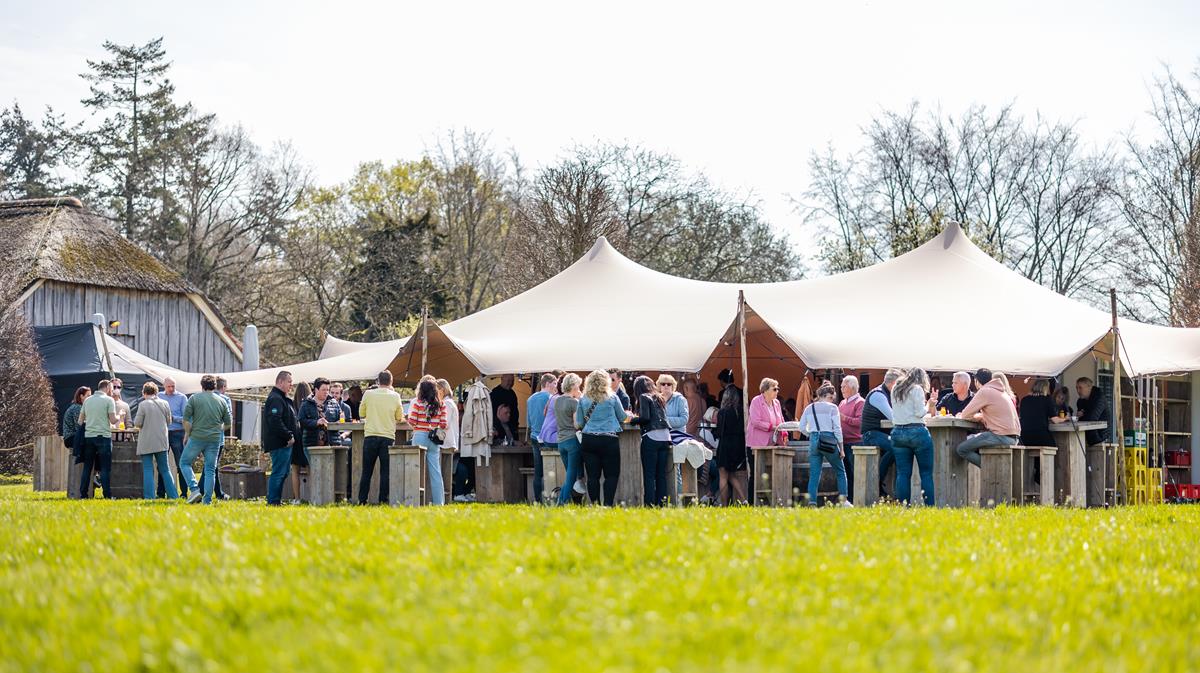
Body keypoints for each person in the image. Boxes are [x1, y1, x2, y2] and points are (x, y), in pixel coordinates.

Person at [576, 369, 632, 506]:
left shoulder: (583, 399)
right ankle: (607, 505)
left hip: (589, 440)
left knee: (592, 477)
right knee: (611, 475)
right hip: (609, 440)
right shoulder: (612, 397)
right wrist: (629, 415)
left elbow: (580, 423)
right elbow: (622, 417)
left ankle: (595, 505)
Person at [180, 374, 232, 505]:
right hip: (214, 439)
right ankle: (207, 501)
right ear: (215, 386)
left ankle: (194, 489)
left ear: (202, 386)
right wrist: (219, 429)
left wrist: (188, 433)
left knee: (184, 462)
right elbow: (228, 423)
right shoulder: (222, 401)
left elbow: (185, 420)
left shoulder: (194, 398)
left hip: (197, 437)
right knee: (210, 469)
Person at [956, 369, 1022, 467]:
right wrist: (980, 417)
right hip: (1014, 438)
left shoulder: (985, 391)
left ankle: (990, 468)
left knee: (961, 449)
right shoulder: (1001, 391)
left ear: (976, 381)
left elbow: (965, 414)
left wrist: (977, 417)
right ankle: (992, 467)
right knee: (973, 440)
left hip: (1000, 436)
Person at [798, 382, 849, 506]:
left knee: (814, 474)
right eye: (831, 397)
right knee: (840, 471)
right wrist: (841, 448)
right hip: (829, 439)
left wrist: (812, 434)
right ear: (825, 395)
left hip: (814, 439)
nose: (832, 401)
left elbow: (801, 427)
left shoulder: (809, 408)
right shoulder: (832, 408)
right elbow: (837, 429)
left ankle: (812, 503)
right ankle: (843, 502)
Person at [889, 368, 935, 506]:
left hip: (898, 432)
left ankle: (904, 507)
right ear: (922, 379)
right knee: (926, 474)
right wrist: (930, 404)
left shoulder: (896, 388)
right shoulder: (917, 389)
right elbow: (920, 412)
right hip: (917, 432)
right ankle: (929, 507)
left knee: (903, 474)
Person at [359, 370, 405, 505]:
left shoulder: (368, 394)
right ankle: (383, 500)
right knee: (385, 472)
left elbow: (361, 413)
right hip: (387, 437)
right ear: (391, 382)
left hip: (370, 435)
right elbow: (399, 417)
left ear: (378, 381)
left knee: (366, 471)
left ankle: (362, 500)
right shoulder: (395, 396)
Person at [134, 381, 178, 500]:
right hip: (162, 441)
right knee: (165, 469)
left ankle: (149, 497)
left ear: (144, 392)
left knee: (148, 469)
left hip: (147, 441)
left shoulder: (143, 405)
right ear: (156, 392)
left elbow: (137, 423)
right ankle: (173, 496)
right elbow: (169, 421)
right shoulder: (165, 403)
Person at [632, 376, 671, 507]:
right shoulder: (659, 397)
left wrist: (631, 420)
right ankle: (662, 504)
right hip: (665, 437)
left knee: (649, 475)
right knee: (661, 474)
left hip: (652, 437)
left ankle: (649, 505)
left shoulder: (643, 396)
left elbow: (645, 418)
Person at [862, 369, 901, 496]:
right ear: (894, 383)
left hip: (880, 433)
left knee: (899, 447)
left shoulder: (887, 393)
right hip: (871, 434)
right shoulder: (878, 395)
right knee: (897, 447)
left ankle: (881, 484)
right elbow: (893, 417)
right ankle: (877, 484)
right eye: (900, 384)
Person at [409, 379, 449, 505]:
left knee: (416, 469)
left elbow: (412, 422)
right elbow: (444, 424)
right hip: (434, 438)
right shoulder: (441, 404)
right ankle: (439, 502)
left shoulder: (418, 403)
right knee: (436, 472)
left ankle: (414, 500)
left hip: (419, 435)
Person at [262, 371, 299, 506]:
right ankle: (273, 501)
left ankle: (276, 500)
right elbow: (275, 420)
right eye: (289, 381)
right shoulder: (276, 399)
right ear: (280, 382)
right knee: (278, 472)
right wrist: (288, 435)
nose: (291, 384)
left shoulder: (281, 398)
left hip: (284, 443)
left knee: (283, 472)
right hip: (280, 443)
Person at [77, 379, 119, 498]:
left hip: (89, 437)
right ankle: (107, 495)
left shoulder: (87, 400)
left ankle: (83, 495)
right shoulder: (109, 400)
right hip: (103, 437)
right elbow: (112, 420)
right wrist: (120, 416)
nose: (112, 391)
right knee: (105, 468)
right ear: (107, 388)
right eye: (111, 388)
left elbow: (80, 421)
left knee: (87, 467)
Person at [197, 376, 232, 500]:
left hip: (201, 436)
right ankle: (198, 491)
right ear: (223, 387)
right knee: (211, 466)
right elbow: (228, 420)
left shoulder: (199, 398)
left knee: (211, 465)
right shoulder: (225, 399)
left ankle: (219, 493)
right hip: (217, 438)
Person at [526, 373, 558, 503]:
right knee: (552, 469)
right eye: (555, 383)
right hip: (548, 437)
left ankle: (538, 500)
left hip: (534, 436)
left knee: (538, 471)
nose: (556, 387)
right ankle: (552, 497)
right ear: (549, 383)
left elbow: (528, 420)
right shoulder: (551, 398)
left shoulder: (530, 399)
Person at [553, 373, 584, 505]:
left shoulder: (557, 400)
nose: (579, 389)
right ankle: (562, 502)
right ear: (573, 386)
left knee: (570, 475)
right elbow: (577, 424)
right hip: (572, 440)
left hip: (561, 441)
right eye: (578, 386)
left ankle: (567, 500)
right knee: (572, 476)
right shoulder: (574, 402)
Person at [714, 386, 748, 505]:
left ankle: (724, 505)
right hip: (738, 446)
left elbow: (720, 432)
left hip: (725, 446)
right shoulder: (742, 411)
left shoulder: (722, 412)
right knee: (731, 475)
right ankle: (744, 499)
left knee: (723, 475)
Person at [158, 376, 190, 499]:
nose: (171, 389)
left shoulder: (182, 398)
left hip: (177, 432)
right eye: (168, 386)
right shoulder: (159, 396)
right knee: (161, 464)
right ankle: (160, 493)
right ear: (164, 386)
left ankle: (184, 493)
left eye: (173, 386)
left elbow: (186, 418)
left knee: (181, 463)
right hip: (163, 432)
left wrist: (172, 417)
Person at [838, 376, 864, 501]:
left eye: (844, 386)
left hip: (855, 443)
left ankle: (858, 500)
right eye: (841, 386)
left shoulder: (860, 402)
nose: (841, 389)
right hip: (843, 444)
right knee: (846, 474)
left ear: (853, 387)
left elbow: (860, 422)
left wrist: (844, 418)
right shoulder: (842, 402)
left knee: (856, 474)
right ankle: (848, 501)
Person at [287, 381, 313, 504]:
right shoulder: (310, 404)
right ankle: (312, 496)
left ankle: (297, 498)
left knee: (295, 471)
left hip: (296, 439)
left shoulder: (292, 404)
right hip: (307, 438)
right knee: (310, 469)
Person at [1020, 378, 1065, 448]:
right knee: (1053, 447)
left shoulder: (1024, 400)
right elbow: (1055, 420)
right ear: (1045, 388)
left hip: (1025, 437)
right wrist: (1065, 418)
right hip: (1041, 436)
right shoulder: (1046, 399)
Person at [747, 378, 786, 449]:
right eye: (774, 389)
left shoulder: (777, 402)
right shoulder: (756, 401)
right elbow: (756, 422)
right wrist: (772, 427)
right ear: (765, 390)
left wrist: (784, 432)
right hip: (757, 444)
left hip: (773, 443)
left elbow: (781, 419)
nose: (777, 391)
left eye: (778, 389)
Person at [1075, 377, 1112, 445]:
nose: (1078, 391)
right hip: (1087, 436)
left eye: (1080, 388)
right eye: (1076, 388)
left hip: (1101, 437)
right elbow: (1080, 419)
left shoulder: (1099, 398)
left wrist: (1082, 415)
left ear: (1089, 387)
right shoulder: (1080, 401)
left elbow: (1092, 418)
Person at [489, 374, 519, 440]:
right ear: (502, 379)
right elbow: (491, 412)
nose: (510, 383)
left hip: (512, 427)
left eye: (512, 381)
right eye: (508, 381)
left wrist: (515, 426)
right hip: (498, 427)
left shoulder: (512, 393)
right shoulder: (495, 393)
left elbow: (515, 411)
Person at [436, 378, 461, 457]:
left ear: (442, 390)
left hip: (446, 443)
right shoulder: (449, 402)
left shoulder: (447, 403)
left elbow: (445, 424)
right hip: (448, 442)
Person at [62, 386, 90, 454]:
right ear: (81, 396)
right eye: (88, 396)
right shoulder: (77, 408)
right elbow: (79, 427)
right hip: (71, 438)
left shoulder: (78, 406)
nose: (90, 398)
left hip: (73, 437)